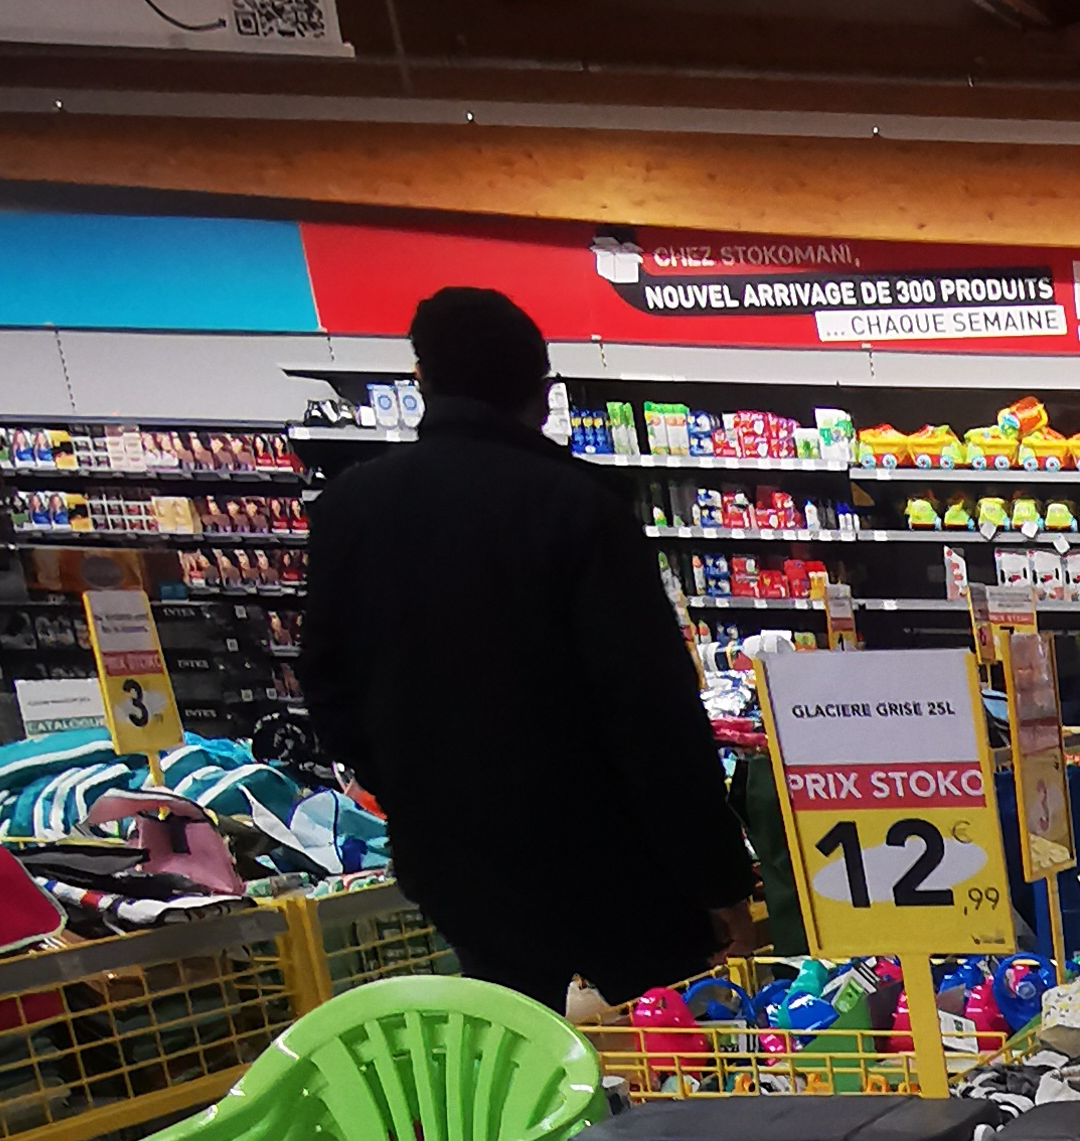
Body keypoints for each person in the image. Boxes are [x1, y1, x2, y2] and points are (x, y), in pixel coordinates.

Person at [302, 286, 762, 1014]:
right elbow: (652, 712)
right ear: (542, 395)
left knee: (512, 1041)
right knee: (676, 1039)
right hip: (610, 859)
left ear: (420, 381)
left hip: (457, 859)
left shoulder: (351, 507)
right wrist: (719, 880)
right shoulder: (579, 506)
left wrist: (416, 788)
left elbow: (327, 688)